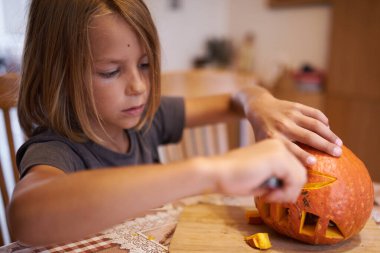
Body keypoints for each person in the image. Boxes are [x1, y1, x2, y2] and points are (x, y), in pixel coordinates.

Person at [7, 0, 342, 246]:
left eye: (145, 64)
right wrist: (211, 171)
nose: (138, 87)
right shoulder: (55, 148)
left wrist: (257, 102)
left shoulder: (144, 120)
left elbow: (236, 98)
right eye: (111, 72)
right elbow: (27, 216)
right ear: (59, 76)